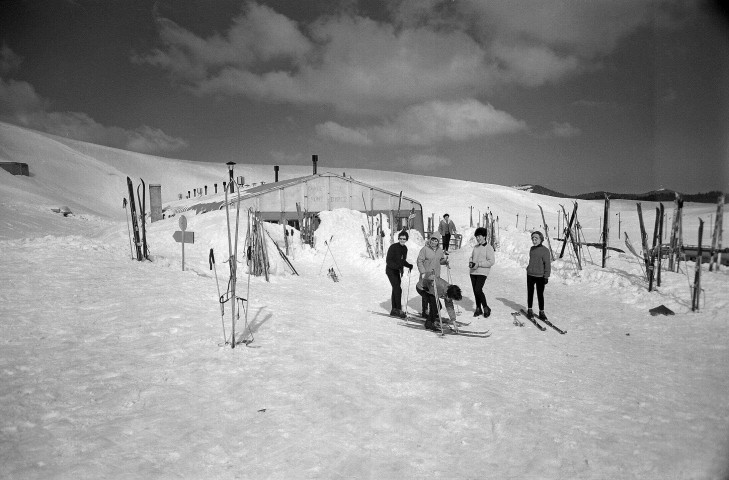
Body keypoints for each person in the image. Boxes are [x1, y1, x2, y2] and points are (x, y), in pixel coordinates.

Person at [416, 233, 448, 318]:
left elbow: (440, 260)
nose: (434, 242)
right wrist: (422, 272)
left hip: (436, 276)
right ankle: (425, 311)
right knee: (426, 292)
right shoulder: (425, 249)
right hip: (426, 275)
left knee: (433, 293)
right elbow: (419, 261)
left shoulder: (439, 250)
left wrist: (445, 262)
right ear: (430, 240)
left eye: (436, 240)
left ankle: (433, 311)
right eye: (433, 240)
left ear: (438, 241)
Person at [385, 230, 413, 318]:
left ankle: (394, 310)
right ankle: (398, 309)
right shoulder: (393, 247)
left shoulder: (405, 249)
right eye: (400, 238)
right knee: (397, 289)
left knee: (396, 289)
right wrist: (397, 266)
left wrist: (408, 265)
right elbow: (388, 261)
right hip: (390, 270)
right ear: (398, 238)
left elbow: (402, 260)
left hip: (398, 271)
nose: (402, 240)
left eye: (404, 239)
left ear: (406, 239)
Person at [469, 226, 496, 318]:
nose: (478, 238)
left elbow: (491, 261)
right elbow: (471, 257)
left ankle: (485, 307)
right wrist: (470, 262)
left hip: (482, 272)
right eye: (476, 237)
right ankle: (478, 308)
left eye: (479, 236)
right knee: (475, 291)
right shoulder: (476, 247)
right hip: (473, 272)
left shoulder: (489, 247)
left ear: (484, 236)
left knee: (478, 289)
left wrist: (479, 264)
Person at [526, 230, 551, 320]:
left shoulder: (545, 251)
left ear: (541, 239)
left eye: (536, 238)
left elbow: (547, 264)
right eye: (532, 238)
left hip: (540, 276)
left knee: (540, 294)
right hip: (530, 275)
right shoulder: (532, 249)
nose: (534, 240)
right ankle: (529, 310)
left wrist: (546, 276)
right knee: (530, 293)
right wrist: (528, 268)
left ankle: (541, 312)